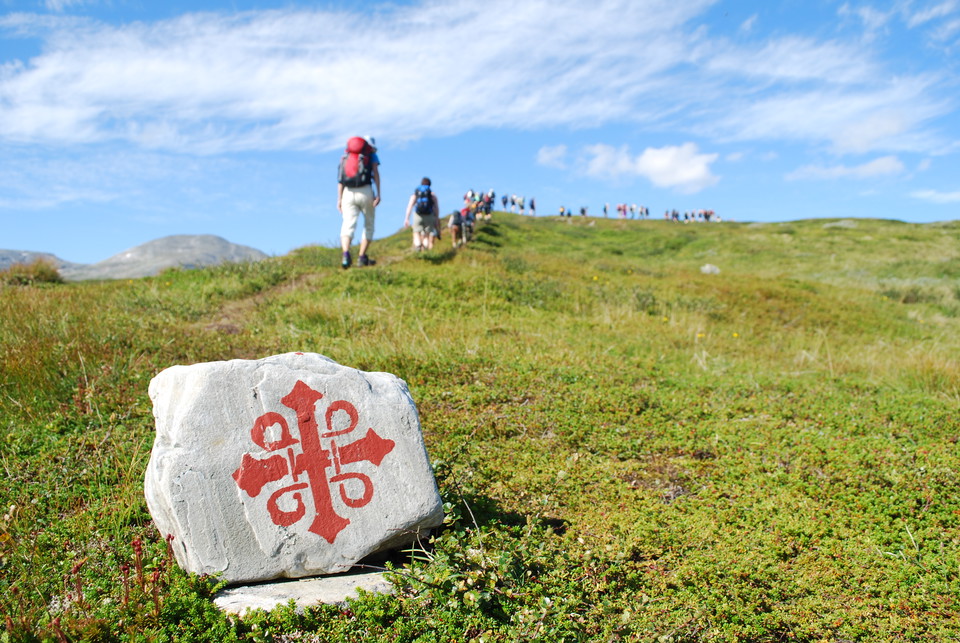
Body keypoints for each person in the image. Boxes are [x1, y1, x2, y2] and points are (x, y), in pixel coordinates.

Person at [337, 135, 380, 268]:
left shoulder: (346, 156)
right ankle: (361, 257)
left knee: (348, 224)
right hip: (366, 191)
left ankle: (345, 254)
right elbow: (376, 174)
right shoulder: (370, 155)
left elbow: (340, 179)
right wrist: (378, 193)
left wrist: (339, 199)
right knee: (369, 224)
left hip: (348, 192)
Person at [404, 177, 440, 251]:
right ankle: (425, 249)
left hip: (418, 215)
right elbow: (436, 208)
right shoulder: (432, 195)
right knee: (427, 234)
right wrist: (436, 219)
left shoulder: (416, 194)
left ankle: (418, 245)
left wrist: (407, 218)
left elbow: (409, 206)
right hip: (429, 216)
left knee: (416, 232)